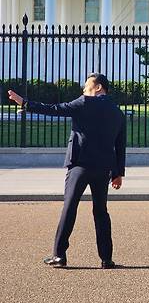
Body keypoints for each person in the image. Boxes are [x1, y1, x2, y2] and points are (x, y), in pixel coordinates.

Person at [7, 73, 126, 269]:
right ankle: (106, 259)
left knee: (69, 208)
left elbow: (54, 109)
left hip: (80, 165)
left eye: (87, 86)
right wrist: (118, 173)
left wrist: (24, 102)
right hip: (104, 168)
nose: (84, 89)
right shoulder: (117, 112)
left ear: (98, 88)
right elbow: (120, 146)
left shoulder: (84, 102)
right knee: (101, 212)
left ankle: (59, 255)